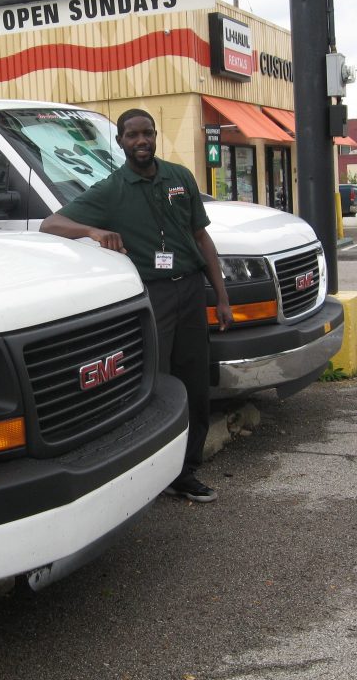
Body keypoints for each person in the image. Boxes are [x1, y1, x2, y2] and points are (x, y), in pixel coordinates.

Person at [40, 108, 233, 502]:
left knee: (196, 385)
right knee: (156, 388)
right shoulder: (113, 189)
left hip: (192, 292)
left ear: (156, 136)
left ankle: (186, 472)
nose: (141, 141)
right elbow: (51, 224)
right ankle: (153, 473)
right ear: (121, 142)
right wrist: (93, 230)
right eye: (132, 135)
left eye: (147, 134)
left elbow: (202, 238)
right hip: (154, 297)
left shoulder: (180, 177)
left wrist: (222, 297)